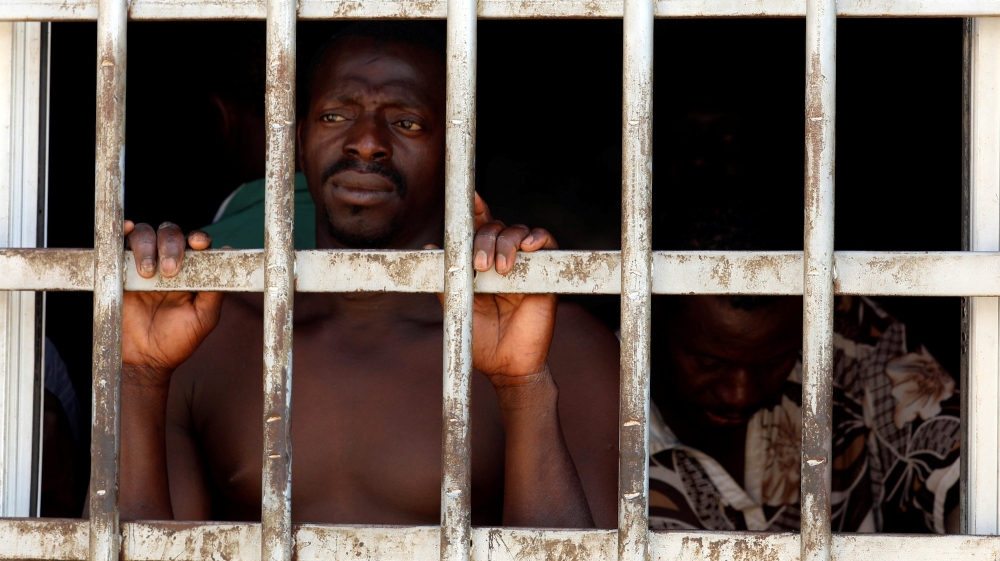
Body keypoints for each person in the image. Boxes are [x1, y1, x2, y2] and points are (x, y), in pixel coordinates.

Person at [116, 22, 620, 528]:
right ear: (295, 143)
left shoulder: (561, 343)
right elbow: (143, 544)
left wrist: (521, 383)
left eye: (407, 123)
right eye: (336, 116)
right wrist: (140, 376)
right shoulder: (209, 337)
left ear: (457, 150)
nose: (365, 143)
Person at [647, 205, 960, 533]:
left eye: (773, 361)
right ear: (652, 319)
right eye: (708, 363)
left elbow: (966, 473)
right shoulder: (599, 402)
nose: (740, 394)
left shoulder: (848, 338)